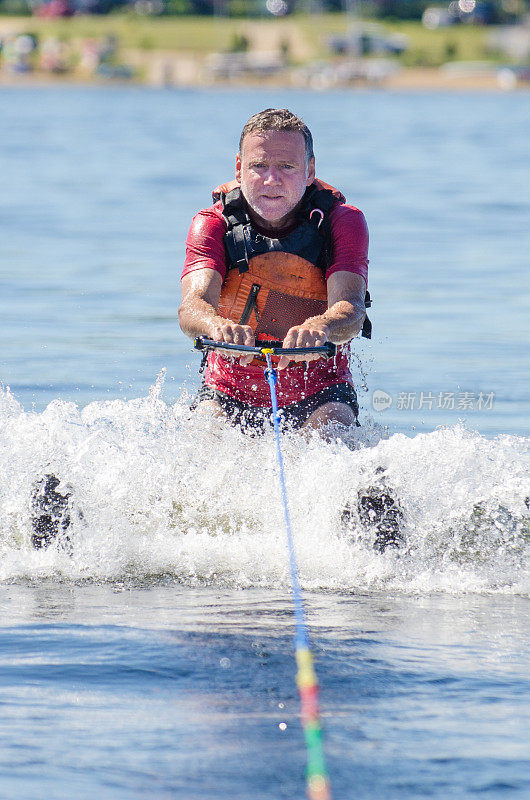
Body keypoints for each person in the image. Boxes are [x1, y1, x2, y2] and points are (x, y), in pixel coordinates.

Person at [178, 107, 371, 436]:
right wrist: (213, 324)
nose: (271, 180)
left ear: (309, 170)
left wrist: (322, 326)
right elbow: (191, 308)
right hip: (228, 391)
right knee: (206, 434)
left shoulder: (343, 222)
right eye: (259, 166)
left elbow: (352, 309)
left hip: (320, 392)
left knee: (330, 430)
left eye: (286, 166)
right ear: (239, 168)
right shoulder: (211, 224)